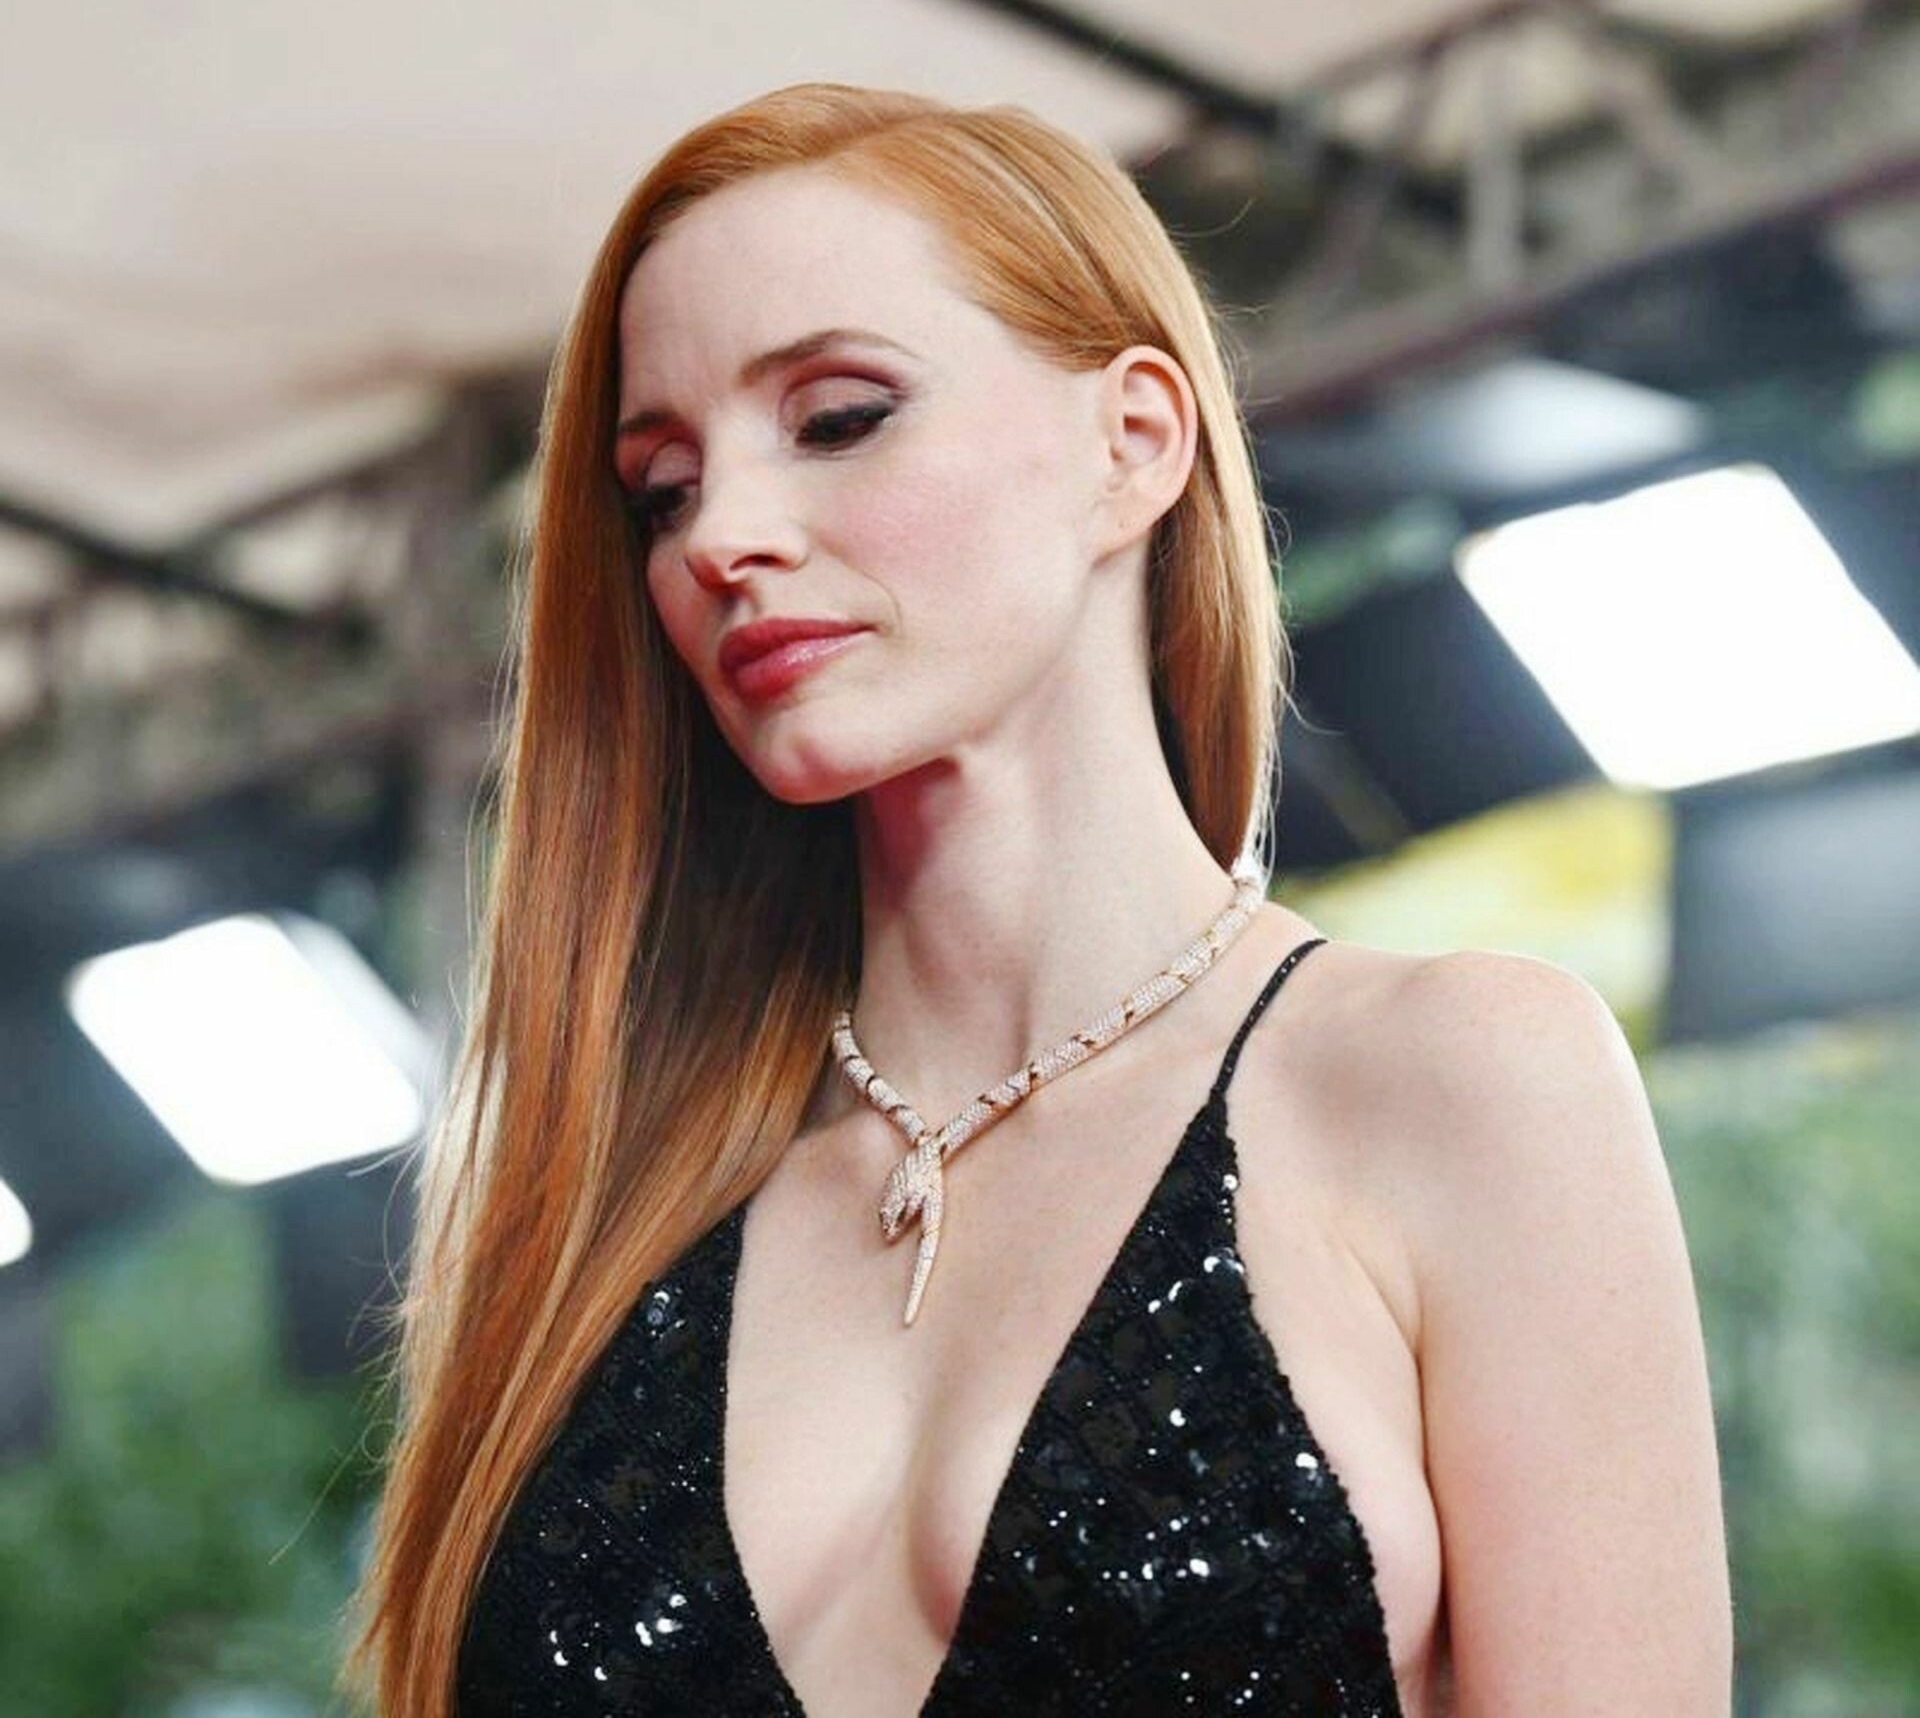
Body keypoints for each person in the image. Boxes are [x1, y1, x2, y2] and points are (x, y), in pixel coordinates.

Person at [338, 83, 1732, 1717]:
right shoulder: (607, 1219)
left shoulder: (1454, 1075)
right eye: (663, 489)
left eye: (839, 417)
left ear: (1131, 444)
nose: (723, 536)